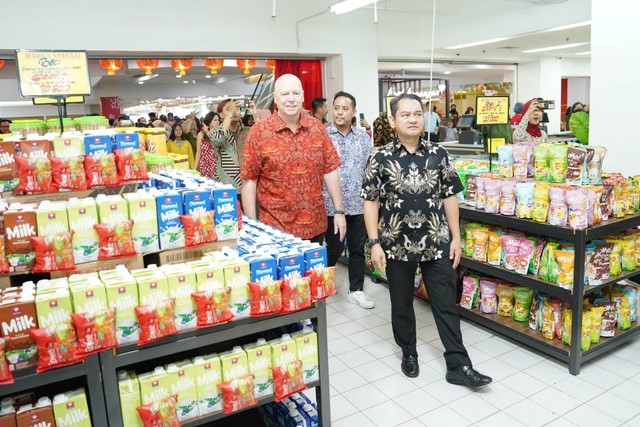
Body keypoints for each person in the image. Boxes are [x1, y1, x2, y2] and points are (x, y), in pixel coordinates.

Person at [361, 93, 492, 387]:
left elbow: (450, 197)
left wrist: (456, 237)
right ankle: (409, 352)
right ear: (393, 120)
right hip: (395, 242)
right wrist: (374, 242)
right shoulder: (379, 156)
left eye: (417, 113)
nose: (412, 119)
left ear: (424, 118)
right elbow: (370, 202)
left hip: (437, 240)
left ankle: (458, 364)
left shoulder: (439, 153)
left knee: (446, 303)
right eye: (405, 114)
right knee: (401, 303)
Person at [241, 74, 346, 243]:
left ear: (303, 96)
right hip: (275, 231)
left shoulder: (317, 128)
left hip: (315, 227)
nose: (291, 99)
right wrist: (253, 226)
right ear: (275, 98)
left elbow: (330, 170)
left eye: (296, 94)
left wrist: (339, 211)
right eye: (285, 94)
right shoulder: (259, 132)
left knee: (316, 270)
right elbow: (249, 181)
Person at [324, 91, 374, 309]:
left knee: (356, 250)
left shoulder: (363, 137)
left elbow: (369, 169)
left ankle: (356, 290)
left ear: (353, 111)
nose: (339, 112)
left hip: (359, 205)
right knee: (332, 249)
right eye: (336, 108)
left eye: (345, 108)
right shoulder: (324, 135)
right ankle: (324, 286)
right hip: (332, 207)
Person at [210, 99, 260, 191]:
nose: (233, 111)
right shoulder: (215, 132)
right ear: (220, 114)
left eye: (236, 109)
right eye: (228, 109)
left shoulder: (247, 131)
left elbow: (263, 138)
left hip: (247, 186)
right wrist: (230, 114)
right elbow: (218, 139)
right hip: (225, 187)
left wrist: (256, 115)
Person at [195, 111, 219, 180]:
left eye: (218, 120)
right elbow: (198, 152)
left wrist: (207, 132)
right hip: (204, 164)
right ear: (209, 122)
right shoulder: (201, 135)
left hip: (216, 165)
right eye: (215, 120)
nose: (217, 122)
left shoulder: (219, 134)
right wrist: (195, 167)